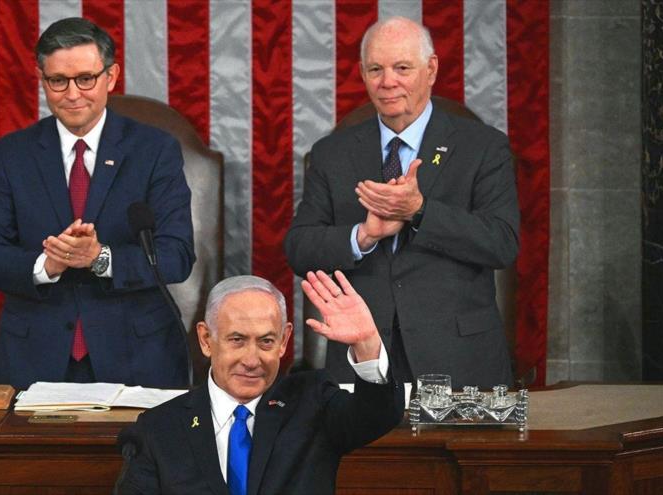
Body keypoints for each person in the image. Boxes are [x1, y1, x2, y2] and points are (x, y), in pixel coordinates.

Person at [284, 16, 519, 389]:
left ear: (431, 69)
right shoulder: (332, 153)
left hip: (459, 361)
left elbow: (502, 243)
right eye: (375, 69)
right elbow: (299, 248)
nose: (387, 81)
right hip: (360, 358)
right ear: (362, 73)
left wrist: (419, 211)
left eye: (402, 68)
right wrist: (362, 235)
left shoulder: (482, 147)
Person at [0, 18, 195, 390]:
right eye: (58, 81)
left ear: (111, 76)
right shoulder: (12, 155)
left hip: (137, 356)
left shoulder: (154, 151)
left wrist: (100, 258)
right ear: (42, 79)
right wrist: (48, 263)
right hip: (35, 359)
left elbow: (176, 256)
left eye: (85, 79)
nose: (72, 93)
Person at [117, 271, 404, 495]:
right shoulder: (159, 429)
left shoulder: (313, 404)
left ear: (283, 341)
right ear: (206, 340)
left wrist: (366, 343)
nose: (252, 360)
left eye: (266, 341)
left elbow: (376, 415)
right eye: (237, 340)